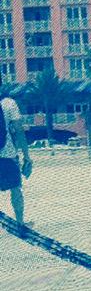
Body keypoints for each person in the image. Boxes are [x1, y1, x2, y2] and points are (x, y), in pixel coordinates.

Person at [0, 92, 32, 224]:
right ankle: (20, 223)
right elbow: (19, 130)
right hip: (7, 153)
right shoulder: (9, 103)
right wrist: (26, 156)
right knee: (16, 188)